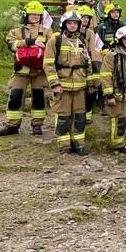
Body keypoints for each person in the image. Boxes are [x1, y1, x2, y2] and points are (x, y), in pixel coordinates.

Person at [0, 1, 52, 137]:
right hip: (21, 71)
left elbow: (52, 47)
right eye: (32, 14)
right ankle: (12, 125)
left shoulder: (47, 32)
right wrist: (30, 42)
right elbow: (11, 45)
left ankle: (37, 125)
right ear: (26, 15)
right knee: (15, 96)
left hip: (39, 72)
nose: (34, 17)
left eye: (37, 14)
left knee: (39, 98)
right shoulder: (16, 32)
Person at [43, 12, 91, 154]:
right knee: (63, 116)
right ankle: (64, 144)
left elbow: (87, 64)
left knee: (80, 117)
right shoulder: (55, 40)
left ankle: (79, 144)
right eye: (69, 23)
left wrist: (91, 84)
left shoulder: (82, 41)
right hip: (62, 86)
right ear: (64, 24)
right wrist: (55, 84)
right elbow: (48, 64)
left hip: (80, 86)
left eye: (75, 23)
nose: (72, 25)